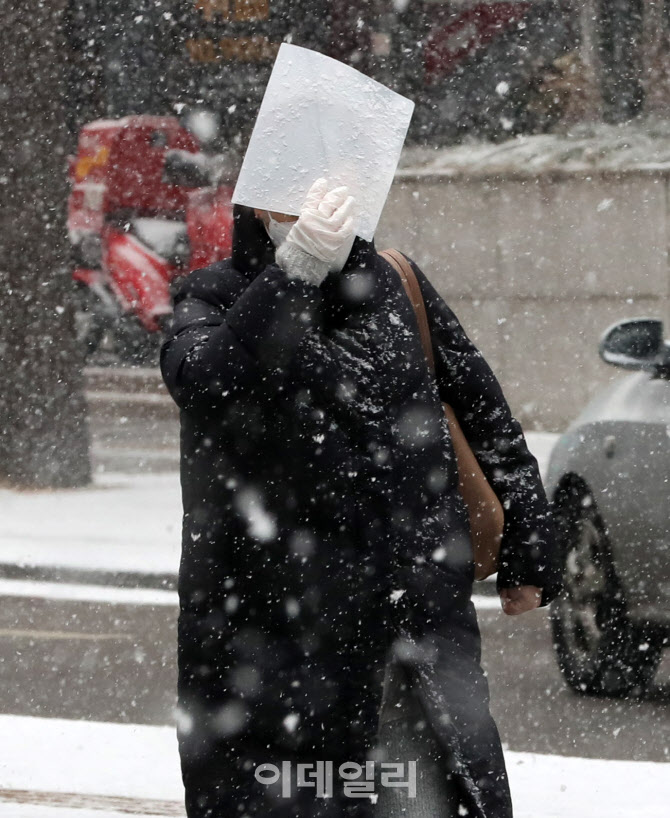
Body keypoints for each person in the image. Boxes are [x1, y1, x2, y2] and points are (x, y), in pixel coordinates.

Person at [160, 178, 563, 818]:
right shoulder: (212, 297)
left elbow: (485, 416)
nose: (312, 213)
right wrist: (292, 275)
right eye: (290, 199)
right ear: (258, 205)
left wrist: (528, 550)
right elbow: (210, 384)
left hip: (415, 621)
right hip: (276, 638)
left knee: (422, 795)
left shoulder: (396, 285)